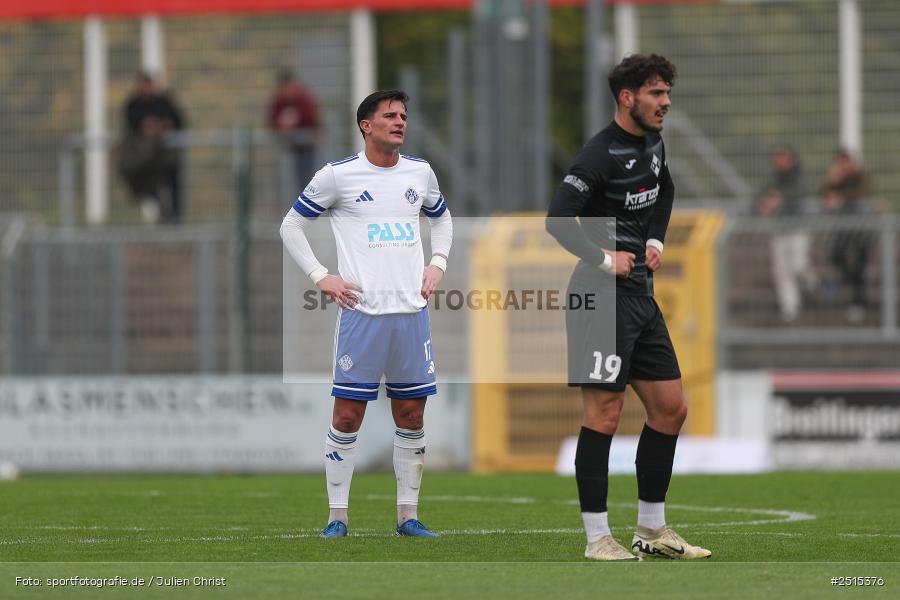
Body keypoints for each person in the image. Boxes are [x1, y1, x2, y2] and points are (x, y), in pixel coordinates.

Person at [546, 54, 710, 561]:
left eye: (667, 92)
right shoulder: (599, 154)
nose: (666, 102)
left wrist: (655, 239)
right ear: (627, 97)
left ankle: (651, 531)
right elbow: (558, 218)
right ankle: (598, 539)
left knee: (671, 409)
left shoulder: (653, 144)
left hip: (639, 295)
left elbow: (666, 189)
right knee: (605, 412)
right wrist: (603, 258)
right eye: (656, 93)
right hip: (599, 297)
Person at [280, 90, 452, 539]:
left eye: (403, 116)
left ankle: (408, 517)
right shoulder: (337, 176)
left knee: (411, 414)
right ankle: (337, 518)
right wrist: (321, 276)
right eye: (390, 115)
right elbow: (291, 225)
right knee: (347, 417)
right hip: (362, 317)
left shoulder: (420, 173)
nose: (400, 122)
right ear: (366, 125)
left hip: (411, 316)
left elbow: (442, 218)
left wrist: (438, 263)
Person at [755, 144, 817, 322]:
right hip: (779, 230)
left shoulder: (799, 177)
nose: (779, 162)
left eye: (783, 158)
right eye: (777, 158)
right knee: (781, 271)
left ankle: (812, 284)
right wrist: (764, 203)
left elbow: (800, 194)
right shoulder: (774, 178)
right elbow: (760, 196)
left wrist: (780, 199)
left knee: (798, 265)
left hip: (798, 228)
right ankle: (790, 308)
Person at [119, 72, 186, 224]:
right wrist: (145, 127)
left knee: (172, 187)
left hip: (165, 158)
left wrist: (164, 125)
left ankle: (173, 220)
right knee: (148, 188)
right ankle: (162, 215)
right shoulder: (134, 105)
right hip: (143, 160)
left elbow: (178, 121)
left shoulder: (164, 102)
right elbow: (131, 124)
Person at [821, 150, 876, 323]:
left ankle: (858, 304)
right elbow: (825, 196)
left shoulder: (861, 177)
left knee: (859, 266)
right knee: (836, 256)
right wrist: (832, 182)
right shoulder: (837, 179)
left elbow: (863, 193)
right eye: (840, 163)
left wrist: (841, 197)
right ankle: (849, 281)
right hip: (843, 232)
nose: (843, 166)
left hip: (861, 232)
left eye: (845, 162)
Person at [267, 70, 322, 206]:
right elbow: (271, 121)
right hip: (286, 146)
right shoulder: (278, 101)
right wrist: (281, 126)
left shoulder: (304, 99)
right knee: (285, 178)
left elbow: (313, 120)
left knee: (305, 177)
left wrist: (296, 123)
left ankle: (306, 207)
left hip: (306, 146)